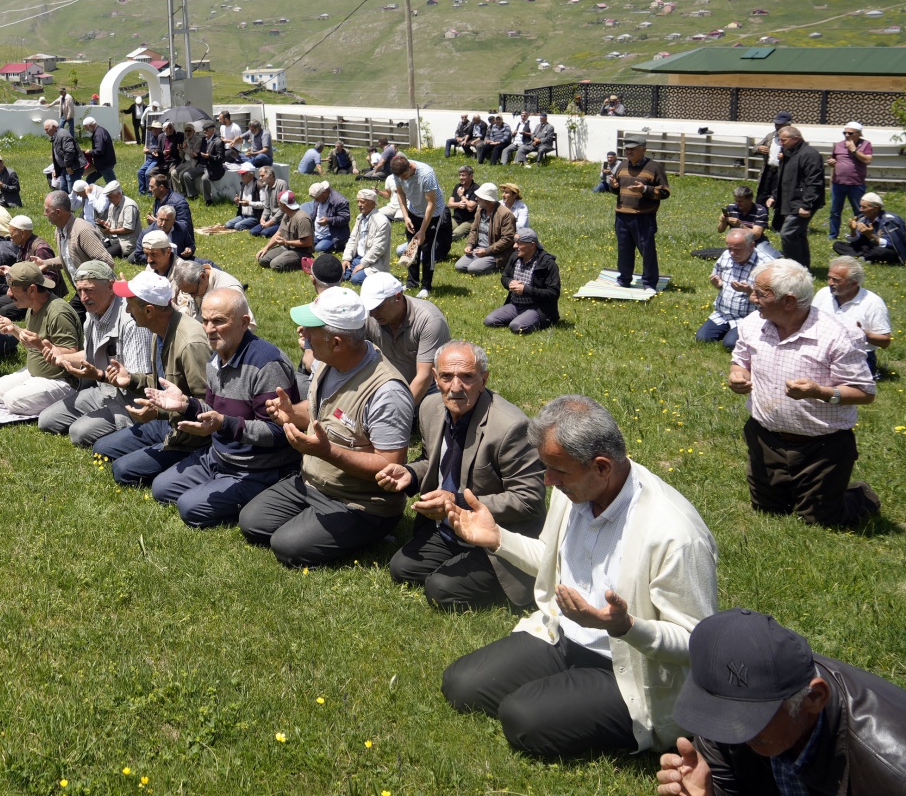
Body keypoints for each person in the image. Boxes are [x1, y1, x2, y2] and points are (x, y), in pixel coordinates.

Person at [440, 395, 718, 758]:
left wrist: (624, 626)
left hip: (628, 668)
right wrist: (497, 539)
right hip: (562, 635)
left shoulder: (675, 534)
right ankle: (561, 691)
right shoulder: (573, 492)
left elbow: (698, 644)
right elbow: (553, 562)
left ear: (601, 466)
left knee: (521, 717)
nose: (547, 480)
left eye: (558, 471)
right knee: (461, 685)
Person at [239, 286, 412, 566]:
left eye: (310, 329)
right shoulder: (326, 363)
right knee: (251, 522)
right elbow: (319, 412)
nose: (302, 333)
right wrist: (291, 413)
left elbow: (390, 468)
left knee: (286, 546)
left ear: (336, 342)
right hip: (311, 483)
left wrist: (327, 452)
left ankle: (374, 533)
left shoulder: (387, 393)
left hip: (360, 503)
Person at [656, 607, 906, 796]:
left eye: (749, 714)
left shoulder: (892, 772)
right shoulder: (721, 715)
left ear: (815, 698)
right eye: (721, 709)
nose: (732, 729)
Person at [377, 341, 545, 609]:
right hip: (451, 529)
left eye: (467, 377)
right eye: (446, 377)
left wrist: (458, 502)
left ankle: (513, 580)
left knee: (440, 589)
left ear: (484, 379)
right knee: (401, 568)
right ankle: (455, 564)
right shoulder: (430, 407)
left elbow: (529, 500)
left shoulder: (511, 428)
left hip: (496, 536)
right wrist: (410, 473)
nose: (456, 387)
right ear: (435, 377)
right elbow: (432, 459)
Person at [110, 288, 296, 525]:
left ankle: (266, 491)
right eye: (205, 321)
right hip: (218, 456)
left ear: (244, 322)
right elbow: (211, 408)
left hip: (256, 468)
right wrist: (187, 404)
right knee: (162, 489)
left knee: (190, 508)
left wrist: (224, 424)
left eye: (218, 321)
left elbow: (280, 432)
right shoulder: (216, 357)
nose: (209, 329)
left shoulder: (266, 364)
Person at [727, 258, 879, 529]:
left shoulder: (838, 335)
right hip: (766, 438)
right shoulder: (753, 323)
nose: (752, 299)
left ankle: (861, 496)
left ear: (788, 301)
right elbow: (740, 359)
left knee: (819, 521)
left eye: (760, 293)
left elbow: (864, 392)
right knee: (769, 511)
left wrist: (820, 391)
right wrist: (737, 374)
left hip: (821, 446)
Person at [90, 271, 213, 481]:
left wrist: (159, 413)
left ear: (149, 310)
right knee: (101, 448)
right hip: (167, 421)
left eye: (130, 305)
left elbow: (208, 407)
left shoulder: (190, 344)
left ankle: (194, 460)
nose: (127, 310)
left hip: (191, 436)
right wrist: (131, 380)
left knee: (122, 470)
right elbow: (162, 383)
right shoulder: (159, 329)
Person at [37, 260, 155, 447]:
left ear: (111, 286)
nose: (83, 297)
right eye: (79, 290)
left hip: (128, 398)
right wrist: (62, 357)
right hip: (102, 389)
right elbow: (90, 356)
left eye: (89, 290)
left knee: (78, 433)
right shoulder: (92, 315)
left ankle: (126, 431)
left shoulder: (132, 321)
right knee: (46, 420)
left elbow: (137, 381)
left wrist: (99, 375)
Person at [0, 263, 83, 417]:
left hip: (62, 380)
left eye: (13, 289)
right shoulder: (32, 307)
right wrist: (14, 330)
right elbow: (33, 344)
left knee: (12, 400)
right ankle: (32, 392)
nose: (9, 294)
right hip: (35, 373)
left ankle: (65, 402)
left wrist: (39, 344)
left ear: (32, 289)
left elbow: (73, 354)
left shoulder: (58, 313)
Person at [362, 271, 450, 403]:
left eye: (378, 307)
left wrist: (401, 411)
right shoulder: (370, 316)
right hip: (388, 382)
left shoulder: (429, 320)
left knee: (431, 409)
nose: (372, 314)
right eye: (369, 308)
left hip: (429, 388)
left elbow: (424, 376)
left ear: (397, 297)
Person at [812, 256, 892, 380]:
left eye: (836, 280)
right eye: (829, 278)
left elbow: (885, 341)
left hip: (856, 355)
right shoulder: (823, 294)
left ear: (854, 283)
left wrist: (862, 334)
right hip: (821, 349)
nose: (830, 283)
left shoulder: (873, 303)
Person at [695, 229, 774, 349]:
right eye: (729, 248)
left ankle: (743, 333)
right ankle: (729, 330)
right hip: (723, 313)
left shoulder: (766, 265)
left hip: (748, 316)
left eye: (737, 250)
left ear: (751, 246)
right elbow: (719, 278)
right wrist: (718, 284)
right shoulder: (726, 256)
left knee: (730, 344)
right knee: (702, 339)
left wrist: (750, 291)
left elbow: (771, 299)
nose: (732, 253)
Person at [611, 136, 670, 289]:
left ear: (643, 149)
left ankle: (649, 283)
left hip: (643, 217)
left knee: (647, 251)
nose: (629, 151)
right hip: (622, 215)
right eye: (627, 149)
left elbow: (664, 192)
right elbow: (617, 190)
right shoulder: (622, 166)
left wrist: (644, 189)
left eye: (632, 148)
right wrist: (614, 186)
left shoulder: (655, 167)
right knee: (624, 250)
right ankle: (624, 280)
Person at [392, 152, 451, 296]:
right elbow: (400, 194)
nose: (402, 179)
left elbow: (431, 203)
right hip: (413, 211)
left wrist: (423, 230)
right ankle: (412, 282)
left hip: (433, 213)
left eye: (404, 176)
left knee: (427, 248)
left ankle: (426, 286)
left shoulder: (426, 174)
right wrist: (406, 217)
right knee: (411, 246)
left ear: (410, 168)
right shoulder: (397, 171)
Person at [766, 126, 824, 268]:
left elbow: (814, 182)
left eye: (784, 140)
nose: (781, 143)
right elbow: (783, 178)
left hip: (802, 202)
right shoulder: (788, 153)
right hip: (791, 200)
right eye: (779, 140)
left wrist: (807, 205)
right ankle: (803, 268)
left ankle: (793, 268)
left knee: (788, 234)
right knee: (799, 235)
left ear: (796, 139)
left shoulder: (810, 155)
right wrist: (775, 196)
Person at [486, 228, 560, 335]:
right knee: (490, 320)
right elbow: (505, 277)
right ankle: (522, 318)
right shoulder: (515, 257)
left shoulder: (547, 264)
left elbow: (553, 293)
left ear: (532, 245)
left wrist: (525, 290)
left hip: (538, 308)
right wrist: (509, 283)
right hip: (516, 305)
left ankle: (531, 319)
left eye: (519, 243)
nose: (515, 246)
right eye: (515, 243)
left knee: (516, 326)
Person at [42, 190, 115, 294]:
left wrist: (88, 283)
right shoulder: (59, 231)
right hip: (83, 291)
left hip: (100, 292)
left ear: (58, 212)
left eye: (47, 210)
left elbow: (107, 262)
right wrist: (45, 263)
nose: (44, 214)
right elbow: (70, 258)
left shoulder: (82, 230)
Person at [455, 183, 515, 275]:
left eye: (479, 197)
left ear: (487, 200)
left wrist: (487, 251)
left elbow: (507, 239)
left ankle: (500, 267)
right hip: (478, 250)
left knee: (473, 269)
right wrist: (470, 245)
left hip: (496, 253)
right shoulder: (479, 211)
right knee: (459, 266)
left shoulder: (505, 214)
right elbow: (474, 230)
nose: (476, 199)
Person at [827, 121, 873, 240]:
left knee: (859, 211)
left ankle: (860, 234)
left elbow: (867, 160)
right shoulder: (838, 145)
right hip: (838, 183)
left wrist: (853, 150)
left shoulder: (866, 144)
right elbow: (834, 160)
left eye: (850, 133)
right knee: (835, 211)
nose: (847, 135)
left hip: (856, 184)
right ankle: (833, 235)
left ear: (859, 134)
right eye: (845, 132)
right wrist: (832, 163)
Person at [832, 191, 905, 263]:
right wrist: (853, 230)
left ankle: (863, 257)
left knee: (878, 251)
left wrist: (871, 236)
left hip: (887, 250)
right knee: (838, 245)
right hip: (868, 248)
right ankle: (866, 257)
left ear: (876, 208)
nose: (861, 209)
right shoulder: (863, 219)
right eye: (861, 206)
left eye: (864, 207)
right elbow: (856, 242)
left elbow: (894, 245)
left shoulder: (889, 221)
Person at [340, 188, 389, 284]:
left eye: (362, 202)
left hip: (374, 262)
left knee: (356, 280)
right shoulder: (360, 218)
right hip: (357, 257)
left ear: (372, 203)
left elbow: (378, 248)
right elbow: (352, 239)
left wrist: (363, 264)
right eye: (358, 202)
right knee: (340, 275)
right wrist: (346, 258)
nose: (359, 205)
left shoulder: (382, 222)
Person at [257, 190, 314, 272]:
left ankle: (304, 262)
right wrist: (266, 248)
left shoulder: (302, 218)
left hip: (301, 251)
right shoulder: (286, 214)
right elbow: (279, 233)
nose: (278, 204)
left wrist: (286, 242)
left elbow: (308, 242)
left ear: (284, 205)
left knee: (275, 264)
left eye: (279, 202)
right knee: (263, 259)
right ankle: (286, 257)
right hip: (286, 247)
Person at [754, 112, 793, 206]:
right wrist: (759, 149)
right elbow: (754, 148)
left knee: (780, 198)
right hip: (768, 171)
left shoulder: (793, 138)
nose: (777, 127)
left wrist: (786, 157)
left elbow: (799, 155)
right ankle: (761, 218)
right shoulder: (770, 136)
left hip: (782, 171)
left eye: (781, 125)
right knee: (761, 198)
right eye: (776, 124)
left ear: (788, 125)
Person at [147, 172, 194, 248]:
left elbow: (185, 226)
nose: (149, 189)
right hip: (163, 240)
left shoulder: (179, 202)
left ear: (161, 187)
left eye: (152, 187)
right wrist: (153, 223)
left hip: (178, 243)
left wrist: (157, 222)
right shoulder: (158, 200)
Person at [95, 181, 141, 257]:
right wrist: (105, 224)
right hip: (113, 240)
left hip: (125, 242)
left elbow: (128, 229)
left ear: (119, 194)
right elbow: (111, 223)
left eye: (110, 197)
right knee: (96, 249)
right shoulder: (112, 206)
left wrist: (110, 231)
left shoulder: (129, 206)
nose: (109, 200)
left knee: (103, 255)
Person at [309, 181, 350, 254]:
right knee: (307, 246)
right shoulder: (318, 198)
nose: (316, 200)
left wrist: (328, 220)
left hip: (333, 235)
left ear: (324, 193)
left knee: (318, 249)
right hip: (318, 233)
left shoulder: (340, 201)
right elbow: (314, 214)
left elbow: (345, 218)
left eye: (317, 198)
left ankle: (338, 246)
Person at [45, 118, 82, 188]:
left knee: (73, 191)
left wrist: (68, 166)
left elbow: (69, 151)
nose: (45, 132)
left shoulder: (63, 134)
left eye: (46, 129)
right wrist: (56, 169)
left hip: (72, 168)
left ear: (53, 127)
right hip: (64, 168)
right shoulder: (56, 135)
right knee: (63, 190)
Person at [446, 165, 479, 243]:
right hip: (456, 218)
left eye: (463, 175)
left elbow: (471, 208)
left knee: (455, 234)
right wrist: (458, 204)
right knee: (444, 228)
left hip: (469, 220)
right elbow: (449, 204)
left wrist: (461, 195)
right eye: (460, 175)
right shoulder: (458, 186)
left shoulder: (476, 189)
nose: (461, 177)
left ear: (471, 176)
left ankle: (468, 231)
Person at [81, 115, 116, 185]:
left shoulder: (98, 134)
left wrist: (90, 152)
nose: (86, 130)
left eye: (86, 127)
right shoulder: (99, 131)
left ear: (90, 125)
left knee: (112, 185)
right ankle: (87, 194)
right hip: (101, 164)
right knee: (89, 180)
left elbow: (99, 150)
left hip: (105, 164)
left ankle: (121, 195)